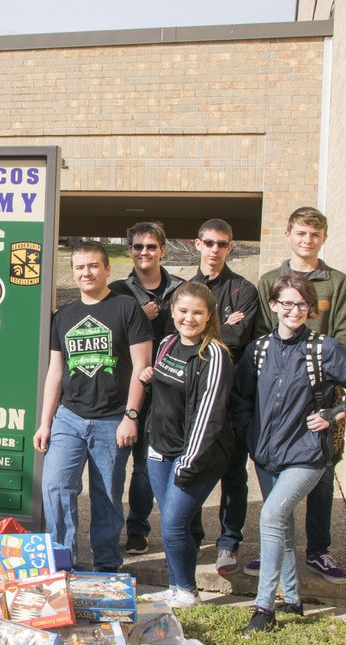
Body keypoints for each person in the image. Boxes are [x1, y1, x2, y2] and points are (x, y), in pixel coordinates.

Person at [234, 274, 346, 634]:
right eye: (286, 303)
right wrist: (250, 436)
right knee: (281, 525)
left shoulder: (324, 349)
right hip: (267, 455)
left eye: (302, 304)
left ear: (311, 309)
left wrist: (336, 413)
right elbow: (242, 399)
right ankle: (294, 600)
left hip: (307, 454)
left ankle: (264, 608)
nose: (294, 310)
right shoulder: (259, 350)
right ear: (273, 306)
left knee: (270, 517)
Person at [248, 206, 346, 584]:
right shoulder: (269, 281)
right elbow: (263, 333)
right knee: (277, 475)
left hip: (321, 392)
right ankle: (275, 548)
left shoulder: (337, 282)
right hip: (278, 394)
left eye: (314, 235)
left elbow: (344, 336)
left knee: (321, 473)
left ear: (323, 239)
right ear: (289, 235)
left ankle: (318, 551)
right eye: (300, 233)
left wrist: (320, 379)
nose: (306, 241)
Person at [33, 241, 152, 572]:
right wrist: (45, 422)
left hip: (111, 420)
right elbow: (55, 372)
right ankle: (62, 562)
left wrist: (131, 416)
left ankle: (106, 566)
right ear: (73, 272)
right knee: (55, 487)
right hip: (68, 418)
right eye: (80, 267)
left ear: (107, 269)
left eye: (93, 266)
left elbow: (142, 369)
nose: (86, 272)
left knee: (107, 497)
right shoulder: (65, 315)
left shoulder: (127, 309)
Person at [138, 282, 235, 608]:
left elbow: (210, 411)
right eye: (183, 311)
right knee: (172, 523)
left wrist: (188, 460)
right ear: (173, 311)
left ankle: (188, 591)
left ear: (209, 317)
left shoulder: (215, 354)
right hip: (159, 450)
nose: (188, 318)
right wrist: (150, 376)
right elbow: (166, 393)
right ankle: (176, 586)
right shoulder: (166, 343)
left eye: (197, 312)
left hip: (195, 456)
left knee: (174, 523)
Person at [109, 221, 184, 555]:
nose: (144, 252)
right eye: (138, 247)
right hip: (121, 391)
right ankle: (107, 530)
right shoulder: (117, 292)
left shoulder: (181, 290)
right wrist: (138, 315)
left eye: (151, 247)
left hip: (165, 395)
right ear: (129, 251)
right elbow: (105, 339)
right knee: (110, 467)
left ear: (163, 250)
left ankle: (138, 528)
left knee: (145, 468)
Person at [189, 218, 258, 576]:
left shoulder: (243, 289)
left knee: (234, 474)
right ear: (197, 244)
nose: (215, 249)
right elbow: (182, 337)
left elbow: (237, 340)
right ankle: (193, 536)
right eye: (209, 242)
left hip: (231, 401)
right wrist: (225, 326)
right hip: (192, 398)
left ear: (230, 247)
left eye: (223, 244)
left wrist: (206, 331)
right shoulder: (184, 288)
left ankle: (229, 543)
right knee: (192, 470)